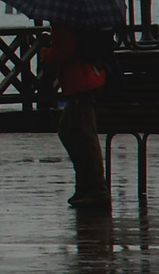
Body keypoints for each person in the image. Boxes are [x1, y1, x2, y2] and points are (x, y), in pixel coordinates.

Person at [42, 22, 113, 210]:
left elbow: (64, 52)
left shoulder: (62, 20)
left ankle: (96, 189)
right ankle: (84, 185)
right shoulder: (80, 18)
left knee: (83, 134)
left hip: (81, 83)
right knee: (68, 131)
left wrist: (46, 52)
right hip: (89, 79)